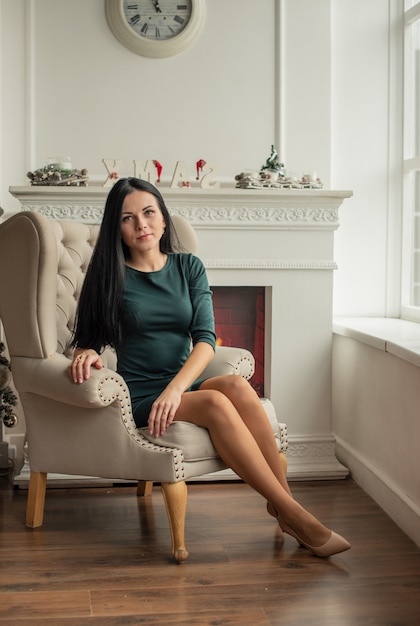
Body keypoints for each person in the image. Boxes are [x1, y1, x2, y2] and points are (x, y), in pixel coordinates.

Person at [69, 177, 350, 558]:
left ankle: (285, 505)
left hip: (179, 384)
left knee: (233, 385)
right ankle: (296, 515)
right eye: (128, 218)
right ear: (116, 229)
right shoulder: (111, 278)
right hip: (143, 393)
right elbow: (88, 338)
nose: (141, 225)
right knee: (217, 404)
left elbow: (205, 338)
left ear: (164, 220)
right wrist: (87, 351)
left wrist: (176, 389)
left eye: (149, 213)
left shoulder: (189, 267)